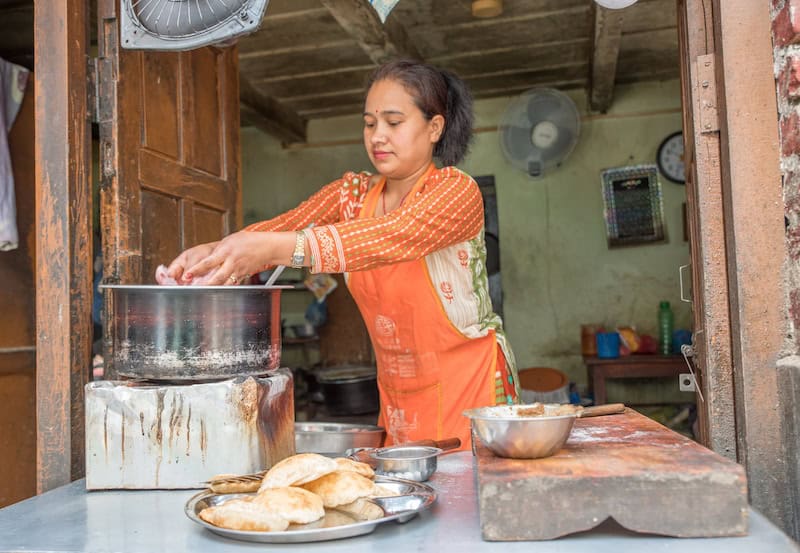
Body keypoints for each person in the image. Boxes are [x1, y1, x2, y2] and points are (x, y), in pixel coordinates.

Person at [162, 60, 520, 449]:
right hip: (398, 391)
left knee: (467, 499)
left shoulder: (455, 192)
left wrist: (274, 248)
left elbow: (389, 236)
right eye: (370, 123)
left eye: (394, 122)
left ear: (434, 127)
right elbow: (283, 228)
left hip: (469, 386)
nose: (377, 136)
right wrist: (212, 255)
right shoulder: (352, 195)